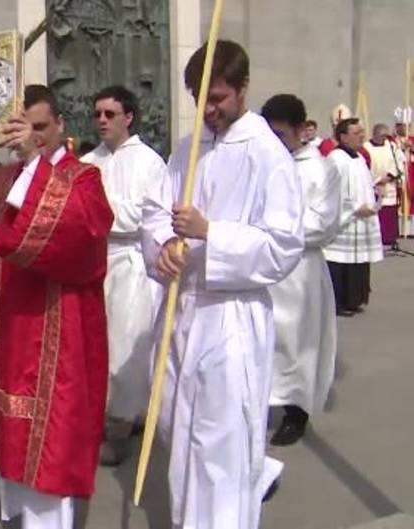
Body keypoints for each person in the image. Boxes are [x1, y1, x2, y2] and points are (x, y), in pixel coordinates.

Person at [140, 40, 304, 529]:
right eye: (201, 100)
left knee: (222, 443)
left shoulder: (267, 153)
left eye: (219, 99)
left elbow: (283, 244)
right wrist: (163, 246)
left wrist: (212, 233)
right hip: (183, 310)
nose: (209, 111)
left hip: (231, 316)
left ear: (244, 88)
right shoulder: (189, 149)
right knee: (181, 432)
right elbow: (156, 212)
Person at [0, 84, 113, 529]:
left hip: (57, 335)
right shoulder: (1, 179)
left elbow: (80, 235)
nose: (32, 138)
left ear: (60, 127)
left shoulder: (82, 178)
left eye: (40, 129)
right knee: (12, 442)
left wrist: (35, 163)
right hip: (6, 331)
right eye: (24, 129)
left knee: (49, 446)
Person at [80, 85, 165, 466]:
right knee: (95, 348)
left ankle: (120, 425)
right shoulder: (87, 161)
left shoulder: (148, 162)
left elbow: (147, 215)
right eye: (97, 113)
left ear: (128, 117)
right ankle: (98, 418)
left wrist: (97, 208)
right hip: (95, 263)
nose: (101, 120)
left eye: (109, 114)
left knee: (125, 347)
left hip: (131, 264)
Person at [261, 94, 340, 446]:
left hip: (300, 272)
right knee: (264, 340)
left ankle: (297, 412)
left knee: (298, 344)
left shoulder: (321, 169)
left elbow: (322, 224)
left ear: (300, 131)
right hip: (263, 267)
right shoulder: (263, 165)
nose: (275, 143)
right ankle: (259, 404)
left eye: (280, 135)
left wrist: (274, 227)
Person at [324, 118, 384, 315]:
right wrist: (357, 208)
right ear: (343, 137)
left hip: (360, 220)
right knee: (340, 263)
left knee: (357, 263)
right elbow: (333, 191)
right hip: (346, 221)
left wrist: (375, 190)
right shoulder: (336, 159)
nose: (362, 135)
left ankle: (353, 300)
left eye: (362, 131)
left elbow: (361, 185)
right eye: (356, 132)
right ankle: (338, 303)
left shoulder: (357, 157)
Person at [365, 123, 405, 249]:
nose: (384, 138)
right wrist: (377, 180)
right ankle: (378, 238)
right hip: (375, 184)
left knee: (390, 211)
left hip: (389, 183)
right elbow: (365, 166)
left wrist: (390, 176)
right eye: (381, 136)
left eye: (385, 136)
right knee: (378, 211)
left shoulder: (391, 146)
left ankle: (390, 238)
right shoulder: (366, 147)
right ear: (374, 134)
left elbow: (399, 161)